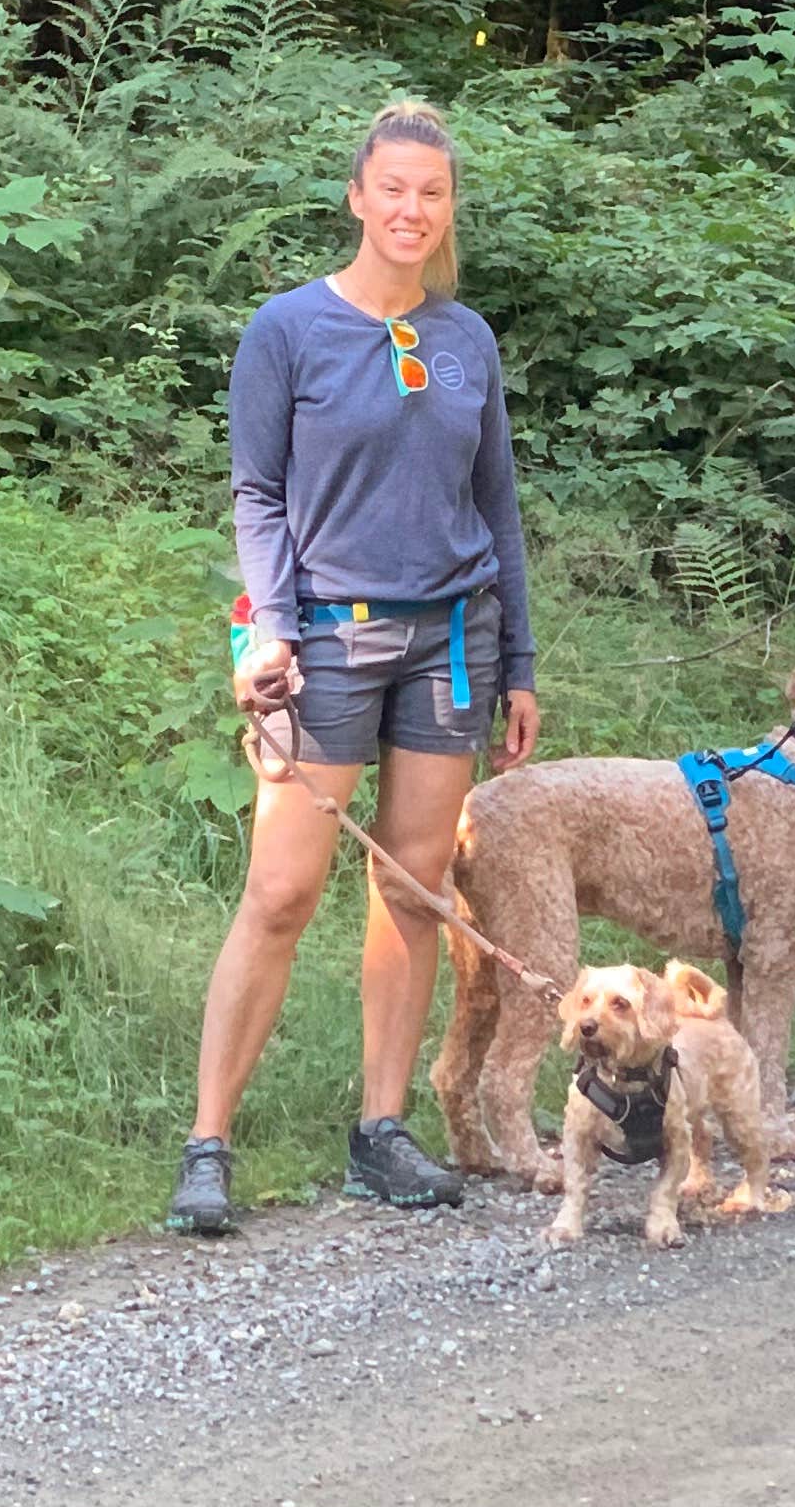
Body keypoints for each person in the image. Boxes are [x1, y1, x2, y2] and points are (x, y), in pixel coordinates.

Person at [168, 101, 539, 1233]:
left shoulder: (466, 340)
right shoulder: (287, 332)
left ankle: (382, 1133)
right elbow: (258, 495)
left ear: (447, 205)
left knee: (414, 888)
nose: (412, 210)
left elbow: (499, 509)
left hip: (450, 648)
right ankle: (207, 1144)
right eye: (394, 190)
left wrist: (518, 657)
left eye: (432, 193)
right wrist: (269, 628)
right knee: (280, 892)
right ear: (357, 198)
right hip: (324, 640)